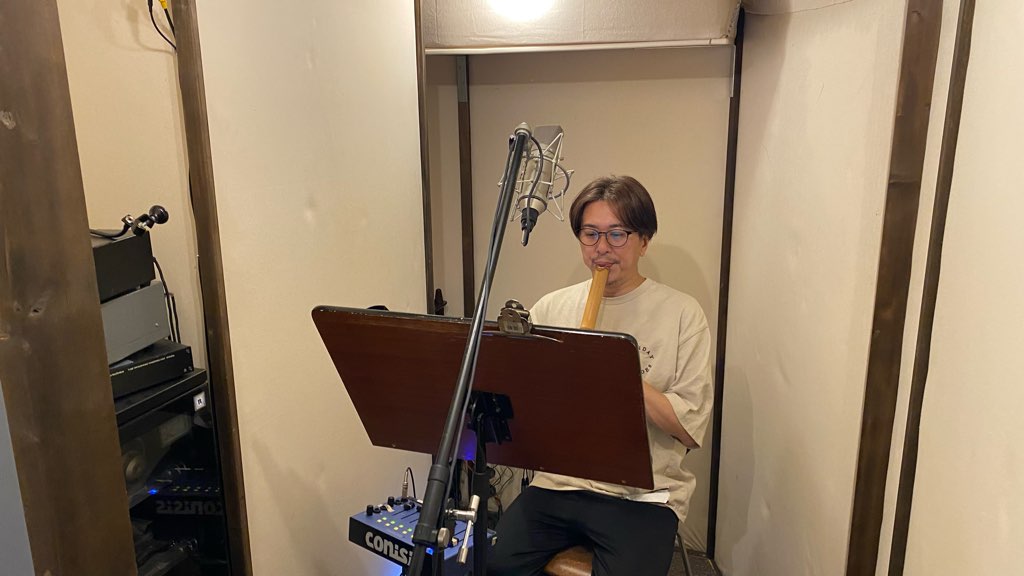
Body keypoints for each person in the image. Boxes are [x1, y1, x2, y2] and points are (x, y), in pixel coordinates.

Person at [487, 175, 713, 576]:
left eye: (617, 234)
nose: (602, 248)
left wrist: (616, 372)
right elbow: (521, 401)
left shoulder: (682, 313)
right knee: (496, 564)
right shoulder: (551, 308)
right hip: (559, 483)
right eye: (590, 234)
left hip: (642, 494)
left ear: (644, 241)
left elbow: (689, 427)